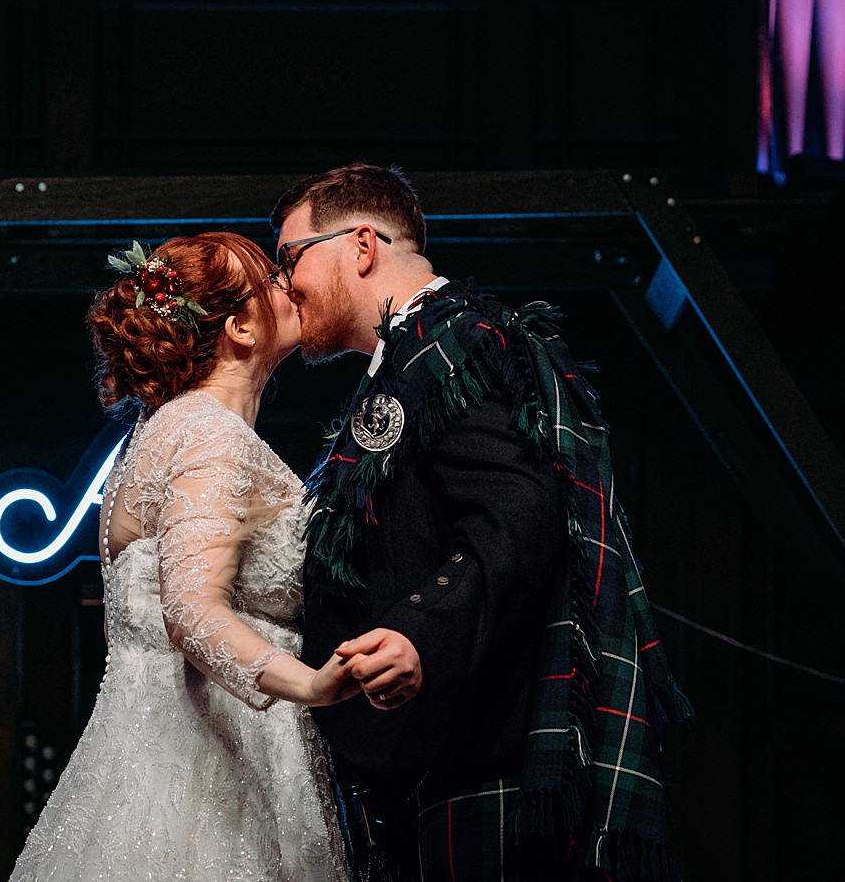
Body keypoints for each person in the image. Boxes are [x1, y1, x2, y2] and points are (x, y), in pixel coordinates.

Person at [273, 163, 688, 881]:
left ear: (362, 245)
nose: (285, 284)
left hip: (490, 763)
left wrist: (419, 631)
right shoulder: (413, 357)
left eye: (290, 257)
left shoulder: (458, 346)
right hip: (438, 762)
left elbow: (520, 512)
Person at [10, 231, 356, 881]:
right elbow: (191, 612)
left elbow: (125, 624)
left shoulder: (154, 433)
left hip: (143, 748)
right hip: (219, 758)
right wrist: (310, 684)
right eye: (273, 280)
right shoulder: (210, 432)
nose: (293, 285)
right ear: (241, 327)